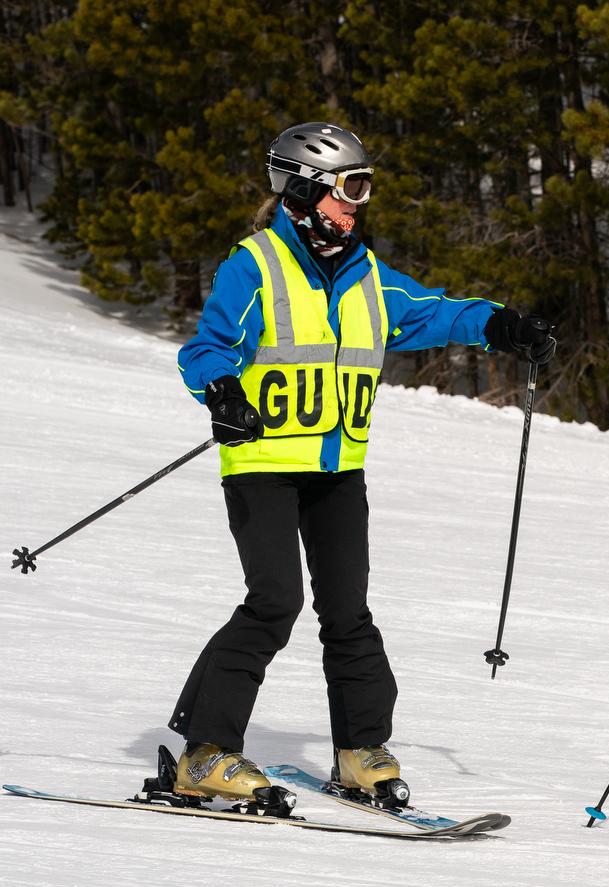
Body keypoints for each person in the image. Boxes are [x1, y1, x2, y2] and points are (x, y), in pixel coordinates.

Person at [167, 122, 556, 808]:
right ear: (303, 191)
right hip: (261, 465)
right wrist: (221, 389)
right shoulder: (254, 265)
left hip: (338, 471)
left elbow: (435, 312)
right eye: (348, 190)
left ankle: (359, 751)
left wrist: (502, 324)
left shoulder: (368, 276)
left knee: (348, 612)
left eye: (362, 190)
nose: (356, 206)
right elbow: (207, 347)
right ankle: (206, 754)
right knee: (274, 602)